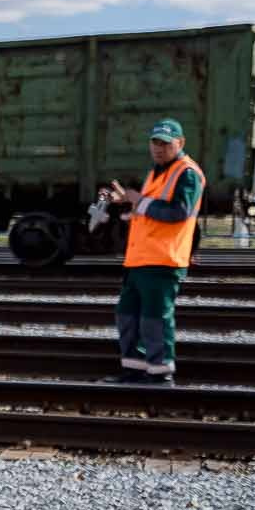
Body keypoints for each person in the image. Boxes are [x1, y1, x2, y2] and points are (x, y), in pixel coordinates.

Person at [105, 118, 205, 385]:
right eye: (155, 142)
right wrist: (128, 203)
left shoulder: (187, 173)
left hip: (164, 260)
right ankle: (134, 370)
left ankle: (161, 374)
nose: (158, 148)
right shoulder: (156, 172)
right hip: (140, 259)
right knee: (127, 314)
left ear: (180, 143)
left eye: (165, 143)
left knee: (154, 318)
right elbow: (151, 210)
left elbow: (178, 212)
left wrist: (139, 200)